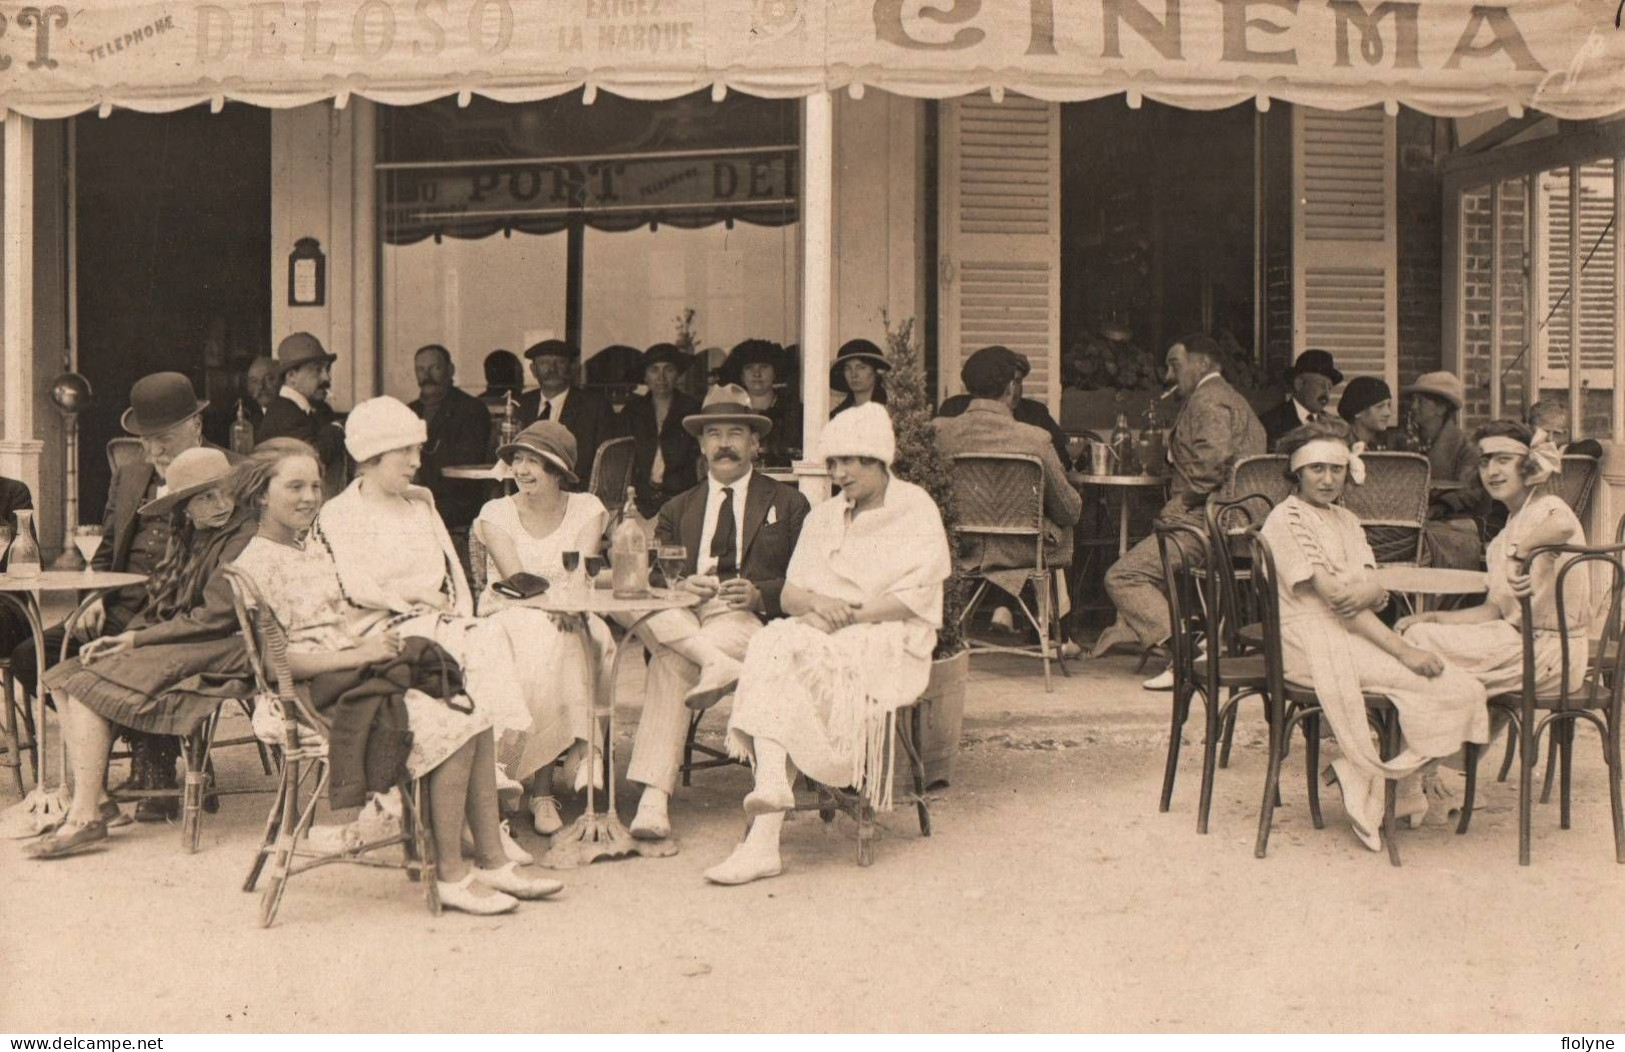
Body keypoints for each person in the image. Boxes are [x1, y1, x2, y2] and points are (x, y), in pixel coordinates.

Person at [231, 440, 560, 913]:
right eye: (294, 486)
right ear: (261, 494)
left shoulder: (311, 548)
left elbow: (346, 609)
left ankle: (491, 860)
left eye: (315, 486)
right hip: (308, 694)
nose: (309, 497)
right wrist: (359, 653)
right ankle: (449, 873)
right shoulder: (257, 563)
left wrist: (401, 610)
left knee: (474, 700)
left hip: (354, 671)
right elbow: (274, 667)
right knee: (453, 717)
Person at [704, 403, 949, 885]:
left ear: (879, 460)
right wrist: (818, 605)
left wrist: (847, 615)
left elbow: (914, 598)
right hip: (823, 629)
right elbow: (792, 592)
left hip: (889, 637)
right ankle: (771, 796)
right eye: (833, 464)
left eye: (850, 462)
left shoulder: (913, 507)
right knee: (774, 641)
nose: (839, 474)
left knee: (792, 656)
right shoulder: (826, 517)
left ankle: (764, 833)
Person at [311, 397, 544, 863]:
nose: (419, 463)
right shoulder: (341, 513)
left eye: (419, 451)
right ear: (373, 456)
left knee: (488, 637)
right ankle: (476, 814)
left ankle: (489, 790)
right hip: (376, 628)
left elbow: (453, 576)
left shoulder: (420, 506)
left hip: (437, 623)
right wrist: (416, 601)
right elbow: (356, 588)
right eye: (407, 453)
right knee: (465, 649)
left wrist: (456, 611)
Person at [8, 372, 236, 814]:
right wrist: (93, 602)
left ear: (195, 425)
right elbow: (108, 551)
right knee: (30, 656)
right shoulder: (130, 476)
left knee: (118, 662)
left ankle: (156, 759)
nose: (155, 452)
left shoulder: (227, 473)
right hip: (116, 611)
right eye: (145, 440)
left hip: (176, 619)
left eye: (164, 438)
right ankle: (140, 746)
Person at [1260, 420, 1488, 852]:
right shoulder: (1286, 520)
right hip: (1308, 643)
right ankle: (1380, 777)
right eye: (1317, 470)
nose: (1328, 480)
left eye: (1337, 469)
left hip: (1351, 632)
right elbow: (1340, 603)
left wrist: (1370, 590)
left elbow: (1372, 590)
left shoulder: (1345, 519)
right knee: (1443, 684)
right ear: (1296, 473)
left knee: (1464, 688)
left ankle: (1385, 781)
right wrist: (1403, 650)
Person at [24, 449, 261, 856]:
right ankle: (95, 801)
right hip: (188, 639)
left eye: (223, 493)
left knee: (83, 685)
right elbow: (160, 604)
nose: (220, 504)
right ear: (185, 509)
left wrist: (135, 641)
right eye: (204, 498)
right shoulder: (191, 536)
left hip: (227, 646)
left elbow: (215, 618)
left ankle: (86, 817)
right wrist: (127, 635)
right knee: (65, 675)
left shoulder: (242, 534)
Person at [622, 385, 811, 842]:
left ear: (755, 444)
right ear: (701, 445)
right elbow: (656, 579)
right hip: (685, 615)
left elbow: (808, 583)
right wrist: (682, 586)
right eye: (714, 435)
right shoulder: (677, 507)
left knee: (672, 660)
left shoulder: (787, 503)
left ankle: (653, 797)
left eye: (736, 434)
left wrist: (760, 594)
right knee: (636, 606)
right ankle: (710, 659)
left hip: (742, 619)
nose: (724, 444)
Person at [1092, 335, 1266, 688]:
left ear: (1202, 363)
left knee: (1123, 576)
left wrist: (1181, 503)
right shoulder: (1233, 399)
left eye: (1175, 364)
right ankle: (1190, 646)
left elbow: (1211, 463)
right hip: (1237, 523)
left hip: (1209, 522)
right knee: (1153, 547)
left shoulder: (1210, 399)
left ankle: (1186, 654)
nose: (1169, 374)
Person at [471, 421, 617, 835]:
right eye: (517, 459)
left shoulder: (588, 508)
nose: (522, 469)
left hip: (568, 611)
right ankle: (551, 777)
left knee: (589, 635)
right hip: (509, 611)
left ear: (557, 469)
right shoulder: (496, 513)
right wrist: (560, 605)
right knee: (544, 640)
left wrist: (567, 605)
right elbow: (517, 580)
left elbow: (580, 577)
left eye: (534, 461)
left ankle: (544, 786)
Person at [1400, 422, 1588, 700]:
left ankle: (1437, 738)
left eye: (1504, 460)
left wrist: (1521, 553)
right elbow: (1494, 610)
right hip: (1517, 643)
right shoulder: (1508, 530)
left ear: (1529, 466)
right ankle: (1457, 738)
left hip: (1551, 653)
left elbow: (1563, 524)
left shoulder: (1549, 509)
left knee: (1420, 648)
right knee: (1419, 636)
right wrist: (1436, 617)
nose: (1493, 472)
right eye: (1485, 462)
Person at [933, 344, 1082, 595]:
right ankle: (1051, 621)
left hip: (960, 546)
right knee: (1061, 524)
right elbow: (1068, 512)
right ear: (1012, 387)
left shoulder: (939, 432)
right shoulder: (1035, 439)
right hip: (1021, 549)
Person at [408, 344, 491, 544]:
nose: (426, 375)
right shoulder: (409, 412)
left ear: (450, 370)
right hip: (415, 497)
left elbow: (466, 466)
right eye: (420, 369)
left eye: (434, 368)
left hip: (456, 501)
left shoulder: (471, 409)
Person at [515, 339, 622, 490]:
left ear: (572, 369)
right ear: (533, 370)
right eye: (544, 363)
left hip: (575, 497)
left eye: (560, 363)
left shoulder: (594, 406)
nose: (552, 369)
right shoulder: (521, 405)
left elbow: (608, 463)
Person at [1403, 372, 1484, 570]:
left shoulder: (1466, 446)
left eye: (1420, 402)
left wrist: (1441, 506)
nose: (1413, 407)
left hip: (1451, 522)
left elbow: (1471, 491)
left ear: (1440, 408)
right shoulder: (1406, 441)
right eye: (1413, 401)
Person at [938, 350, 1069, 466]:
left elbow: (1063, 459)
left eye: (1019, 381)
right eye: (1012, 383)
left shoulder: (1036, 413)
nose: (1016, 389)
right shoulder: (954, 410)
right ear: (1009, 388)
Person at [256, 332, 347, 494]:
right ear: (292, 377)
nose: (326, 378)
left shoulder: (314, 409)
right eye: (317, 370)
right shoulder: (284, 412)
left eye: (326, 369)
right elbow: (314, 457)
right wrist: (338, 427)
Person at [623, 342, 701, 518]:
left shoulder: (692, 408)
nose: (661, 377)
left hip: (682, 499)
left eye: (669, 369)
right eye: (654, 370)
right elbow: (624, 458)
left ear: (677, 375)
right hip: (640, 501)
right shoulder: (633, 410)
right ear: (646, 377)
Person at [719, 338, 803, 468]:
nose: (756, 374)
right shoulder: (730, 412)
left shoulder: (794, 412)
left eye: (764, 367)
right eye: (749, 368)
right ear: (741, 375)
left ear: (775, 372)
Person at [1260, 349, 1342, 449]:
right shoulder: (1270, 423)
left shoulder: (1333, 425)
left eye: (1329, 387)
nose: (1326, 392)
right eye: (1321, 384)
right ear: (1299, 384)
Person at [1335, 376, 1409, 451]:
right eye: (1379, 407)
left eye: (1388, 405)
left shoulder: (1384, 446)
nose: (1388, 413)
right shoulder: (1339, 446)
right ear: (1357, 412)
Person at [830, 338, 890, 417]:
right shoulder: (837, 416)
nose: (854, 374)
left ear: (876, 371)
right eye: (848, 368)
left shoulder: (891, 410)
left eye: (861, 367)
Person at [1527, 400, 1604, 459]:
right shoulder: (1522, 449)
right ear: (1530, 429)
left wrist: (1563, 454)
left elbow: (1595, 447)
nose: (1550, 439)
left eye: (1556, 433)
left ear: (1565, 434)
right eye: (1544, 432)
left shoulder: (1566, 450)